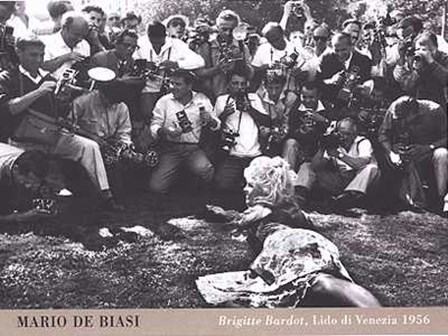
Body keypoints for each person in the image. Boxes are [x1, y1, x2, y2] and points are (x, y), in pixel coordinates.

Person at [196, 156, 381, 308]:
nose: (245, 189)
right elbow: (307, 225)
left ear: (265, 189)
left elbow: (240, 220)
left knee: (317, 283)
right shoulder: (288, 209)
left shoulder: (261, 211)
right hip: (313, 241)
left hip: (285, 243)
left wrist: (222, 214)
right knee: (322, 280)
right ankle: (375, 312)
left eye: (250, 185)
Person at [0, 36, 119, 211]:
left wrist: (65, 97)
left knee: (89, 146)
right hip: (22, 140)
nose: (39, 60)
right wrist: (39, 92)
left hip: (51, 135)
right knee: (29, 169)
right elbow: (8, 110)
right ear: (19, 52)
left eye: (41, 55)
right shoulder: (7, 77)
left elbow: (59, 113)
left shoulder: (48, 77)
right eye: (33, 55)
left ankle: (105, 196)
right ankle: (40, 203)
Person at [148, 69, 218, 195]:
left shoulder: (201, 99)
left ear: (189, 86)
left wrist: (210, 120)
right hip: (170, 149)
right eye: (171, 83)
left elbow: (217, 125)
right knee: (156, 188)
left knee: (206, 170)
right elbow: (154, 125)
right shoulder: (164, 101)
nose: (172, 87)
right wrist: (165, 132)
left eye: (178, 84)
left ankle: (200, 195)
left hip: (193, 149)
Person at [213, 69, 270, 210]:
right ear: (228, 85)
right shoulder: (222, 100)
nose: (239, 88)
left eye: (243, 84)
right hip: (233, 155)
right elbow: (213, 127)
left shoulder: (254, 98)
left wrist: (250, 110)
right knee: (221, 185)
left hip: (255, 155)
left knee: (262, 190)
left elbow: (267, 121)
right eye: (235, 84)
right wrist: (224, 114)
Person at [378, 96, 447, 213]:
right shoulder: (394, 108)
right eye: (398, 119)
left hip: (430, 150)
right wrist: (391, 153)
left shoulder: (434, 110)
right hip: (405, 153)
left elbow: (446, 137)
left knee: (443, 154)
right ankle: (415, 199)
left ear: (414, 114)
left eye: (404, 119)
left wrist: (428, 147)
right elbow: (383, 135)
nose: (401, 122)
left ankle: (441, 198)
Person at [294, 117, 380, 210]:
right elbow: (316, 166)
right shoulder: (334, 141)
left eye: (347, 134)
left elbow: (361, 164)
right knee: (307, 165)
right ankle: (300, 194)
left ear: (354, 134)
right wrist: (322, 149)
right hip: (339, 180)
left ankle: (349, 197)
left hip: (358, 180)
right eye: (341, 133)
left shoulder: (363, 142)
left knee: (371, 168)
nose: (344, 137)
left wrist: (340, 155)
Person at [133, 21, 205, 123]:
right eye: (153, 43)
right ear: (148, 36)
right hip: (149, 87)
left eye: (159, 43)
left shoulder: (176, 44)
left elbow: (199, 61)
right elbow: (132, 60)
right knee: (148, 114)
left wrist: (176, 64)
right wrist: (145, 65)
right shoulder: (140, 42)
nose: (156, 46)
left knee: (172, 116)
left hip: (172, 87)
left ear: (165, 36)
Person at [195, 10, 253, 101]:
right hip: (212, 97)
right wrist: (218, 69)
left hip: (237, 97)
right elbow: (199, 73)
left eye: (232, 29)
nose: (228, 33)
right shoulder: (207, 46)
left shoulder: (241, 46)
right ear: (217, 27)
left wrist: (239, 60)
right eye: (224, 29)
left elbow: (250, 75)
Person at [252, 22, 316, 92]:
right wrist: (265, 67)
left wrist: (297, 73)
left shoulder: (296, 50)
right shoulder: (262, 49)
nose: (275, 43)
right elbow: (253, 72)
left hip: (291, 94)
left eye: (276, 39)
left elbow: (307, 74)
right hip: (267, 93)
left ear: (282, 34)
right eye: (271, 41)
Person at [393, 31, 448, 108]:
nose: (421, 52)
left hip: (441, 106)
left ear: (435, 47)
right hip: (420, 106)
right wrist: (416, 71)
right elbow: (406, 87)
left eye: (424, 49)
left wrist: (431, 62)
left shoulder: (444, 58)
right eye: (418, 49)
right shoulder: (416, 60)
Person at [284, 81, 330, 171]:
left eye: (311, 97)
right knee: (290, 143)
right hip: (300, 146)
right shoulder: (296, 108)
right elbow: (290, 132)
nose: (307, 101)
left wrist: (323, 120)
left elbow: (334, 130)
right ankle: (287, 174)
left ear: (318, 95)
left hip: (318, 148)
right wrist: (300, 131)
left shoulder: (327, 108)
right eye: (304, 97)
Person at [317, 32, 372, 107]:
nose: (340, 54)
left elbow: (367, 85)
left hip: (355, 105)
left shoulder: (363, 61)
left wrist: (357, 86)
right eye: (336, 50)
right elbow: (317, 83)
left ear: (351, 46)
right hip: (331, 104)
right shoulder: (326, 59)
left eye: (343, 50)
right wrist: (330, 81)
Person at [256, 73, 297, 157]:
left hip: (284, 134)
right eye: (270, 88)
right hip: (265, 132)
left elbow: (288, 121)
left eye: (277, 88)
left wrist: (281, 134)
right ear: (265, 87)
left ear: (283, 87)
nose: (274, 92)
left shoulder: (290, 98)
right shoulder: (258, 97)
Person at [41, 11, 90, 80]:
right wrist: (66, 57)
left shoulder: (85, 44)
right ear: (64, 28)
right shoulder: (48, 43)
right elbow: (43, 67)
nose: (80, 39)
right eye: (77, 34)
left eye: (83, 35)